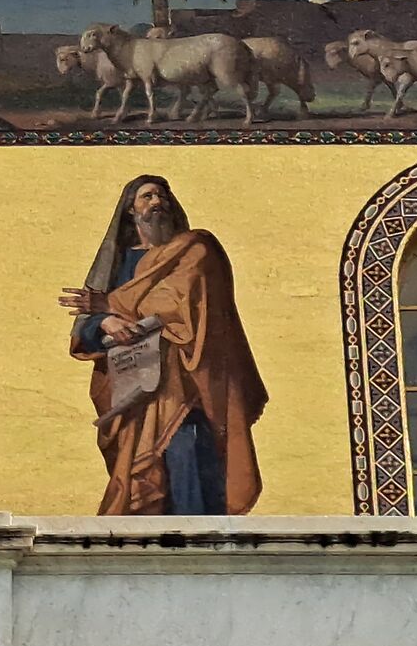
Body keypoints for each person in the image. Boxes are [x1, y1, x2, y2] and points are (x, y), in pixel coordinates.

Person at [56, 174, 266, 514]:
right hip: (133, 389)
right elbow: (87, 328)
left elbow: (181, 302)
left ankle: (202, 552)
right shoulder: (120, 263)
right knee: (141, 478)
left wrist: (110, 305)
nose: (157, 203)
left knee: (189, 458)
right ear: (130, 211)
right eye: (147, 197)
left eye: (162, 196)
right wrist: (105, 320)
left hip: (188, 386)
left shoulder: (195, 250)